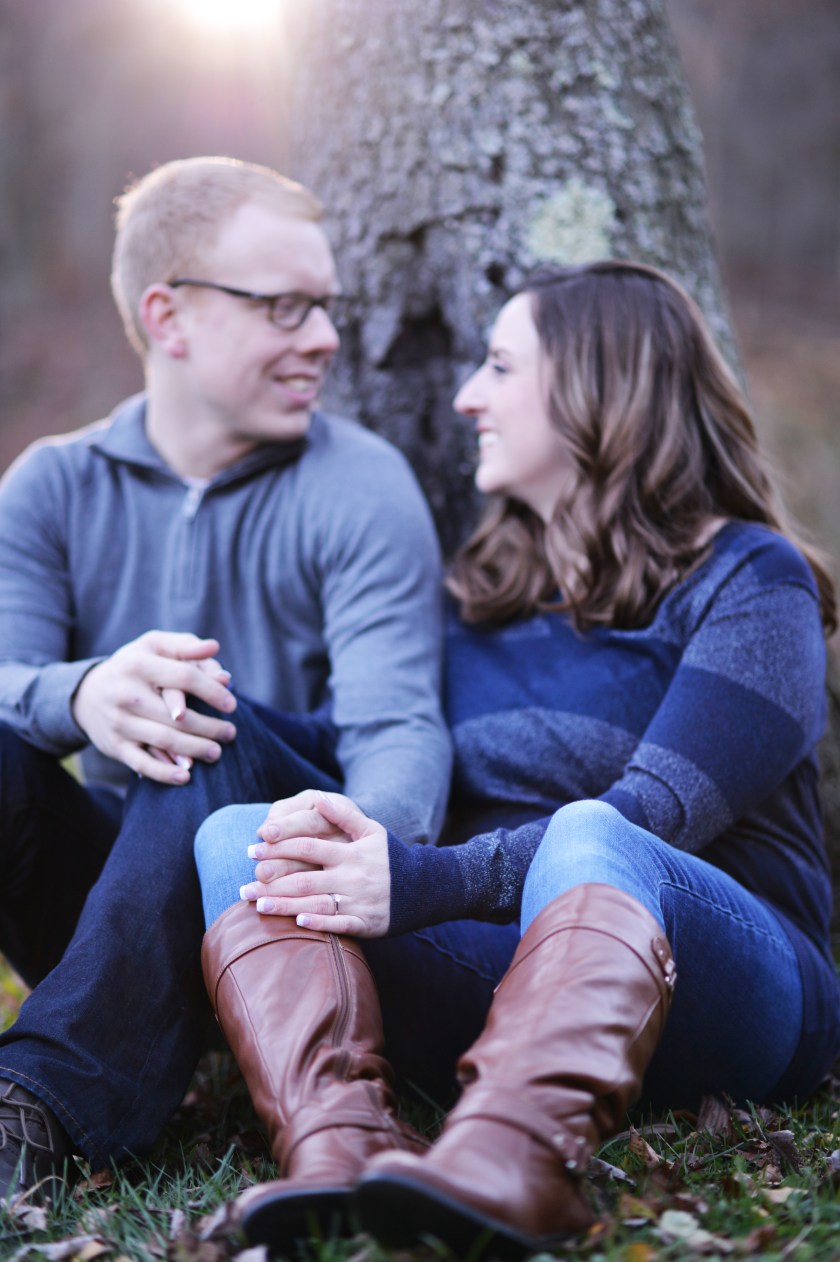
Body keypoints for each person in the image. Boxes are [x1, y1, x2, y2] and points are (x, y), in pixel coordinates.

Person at [192, 259, 840, 1256]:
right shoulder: (478, 598)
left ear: (597, 384)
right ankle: (343, 1149)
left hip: (735, 983)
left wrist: (424, 878)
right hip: (507, 971)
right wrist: (206, 699)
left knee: (595, 830)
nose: (466, 397)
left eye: (499, 366)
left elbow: (656, 812)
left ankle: (512, 1162)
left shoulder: (753, 579)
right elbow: (351, 742)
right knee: (244, 835)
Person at [0, 156, 451, 1200]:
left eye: (327, 307)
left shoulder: (358, 482)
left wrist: (363, 849)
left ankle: (41, 1103)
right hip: (95, 908)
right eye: (286, 305)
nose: (328, 337)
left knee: (201, 709)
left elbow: (401, 724)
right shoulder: (53, 485)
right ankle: (100, 1023)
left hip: (281, 908)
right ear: (169, 315)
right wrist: (81, 696)